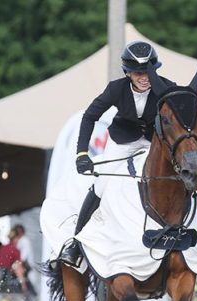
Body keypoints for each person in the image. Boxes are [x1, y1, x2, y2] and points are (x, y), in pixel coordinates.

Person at [58, 40, 175, 267]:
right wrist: (81, 153)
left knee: (173, 178)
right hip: (122, 141)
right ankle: (76, 242)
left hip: (154, 142)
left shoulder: (167, 87)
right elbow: (89, 116)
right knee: (101, 185)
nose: (145, 78)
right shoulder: (116, 89)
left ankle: (182, 238)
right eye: (138, 73)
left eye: (149, 72)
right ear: (128, 73)